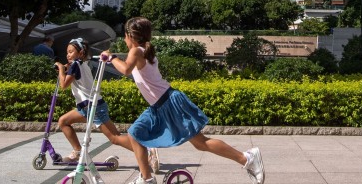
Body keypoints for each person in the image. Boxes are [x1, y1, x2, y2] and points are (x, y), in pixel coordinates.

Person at [102, 16, 265, 184]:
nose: (124, 39)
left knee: (201, 143)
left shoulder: (136, 51)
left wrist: (111, 57)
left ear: (131, 36)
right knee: (135, 134)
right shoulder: (143, 51)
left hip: (169, 103)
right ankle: (147, 179)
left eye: (125, 35)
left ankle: (246, 158)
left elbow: (126, 70)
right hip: (159, 106)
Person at [55, 37, 146, 167]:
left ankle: (146, 153)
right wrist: (66, 69)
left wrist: (60, 69)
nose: (67, 55)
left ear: (80, 53)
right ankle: (78, 151)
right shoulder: (82, 64)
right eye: (67, 52)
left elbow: (63, 85)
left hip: (93, 107)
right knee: (63, 121)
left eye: (71, 52)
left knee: (115, 138)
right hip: (85, 107)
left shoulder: (76, 65)